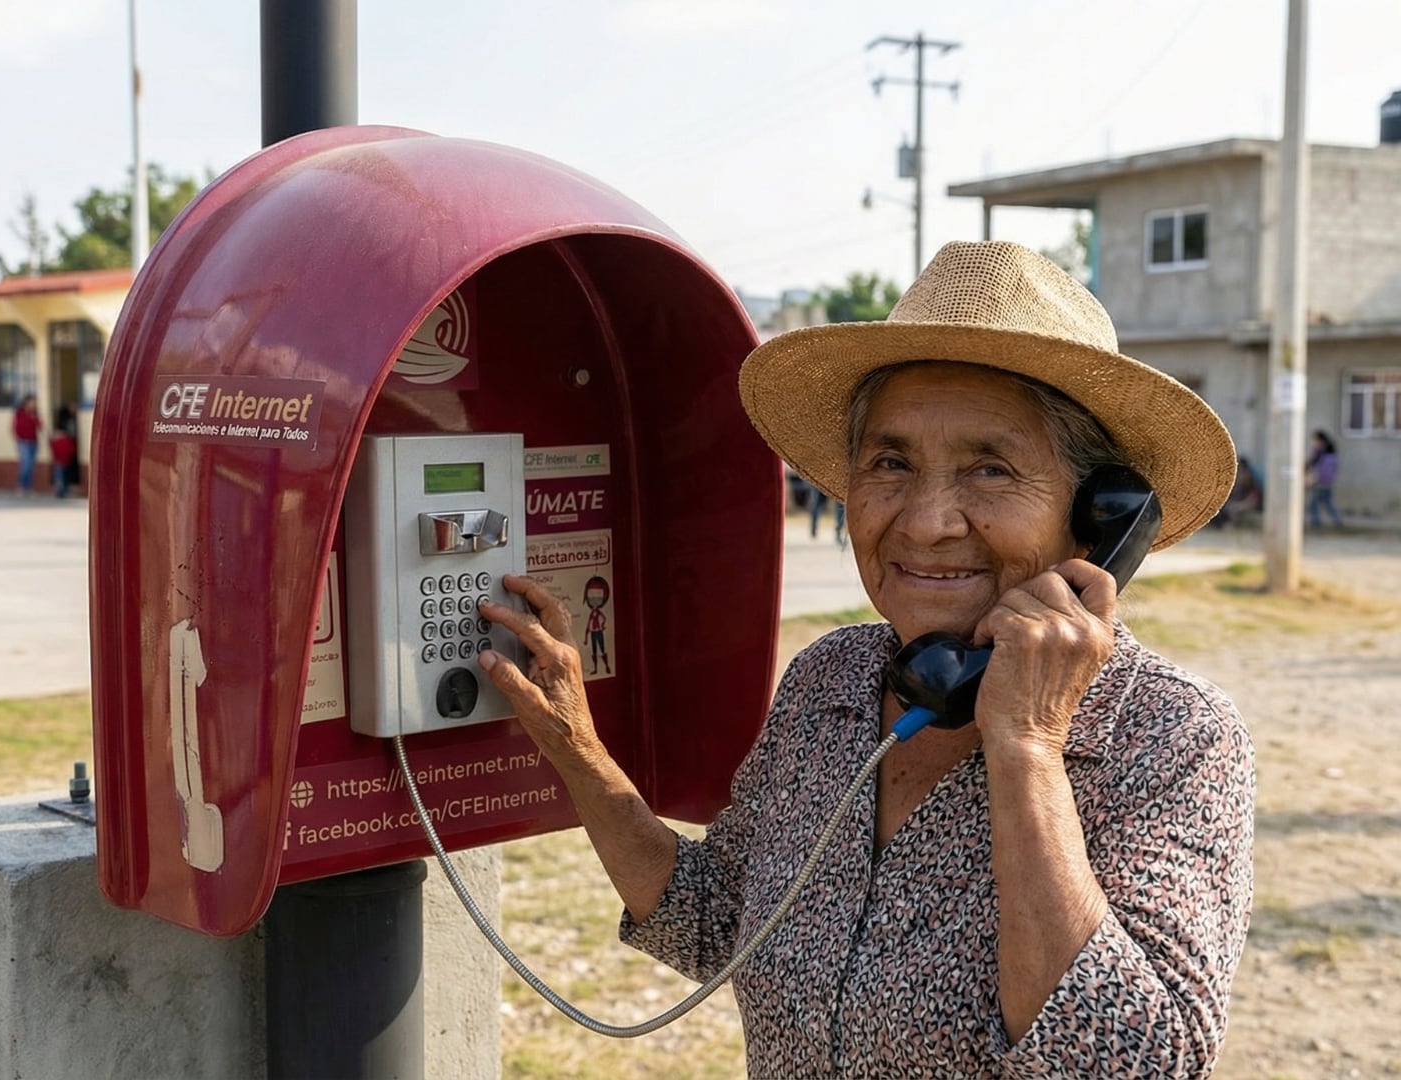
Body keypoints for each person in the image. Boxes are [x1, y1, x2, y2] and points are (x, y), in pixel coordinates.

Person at [475, 242, 1254, 1076]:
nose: (925, 522)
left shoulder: (1171, 736)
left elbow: (1124, 1066)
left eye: (990, 469)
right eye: (891, 463)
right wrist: (578, 751)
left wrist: (1028, 746)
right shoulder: (832, 682)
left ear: (1099, 516)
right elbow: (719, 927)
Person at [1213, 454, 1265, 528]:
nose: (1239, 475)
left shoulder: (1255, 479)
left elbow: (1253, 500)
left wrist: (1238, 506)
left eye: (1240, 472)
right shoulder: (1245, 480)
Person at [1306, 429, 1342, 529]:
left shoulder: (1321, 451)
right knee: (1328, 503)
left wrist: (1312, 480)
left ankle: (1316, 524)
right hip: (1328, 482)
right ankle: (1338, 520)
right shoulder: (1331, 451)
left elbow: (1313, 463)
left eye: (1315, 440)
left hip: (1321, 482)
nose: (1314, 442)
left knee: (1313, 505)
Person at [13, 393, 42, 496]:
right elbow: (16, 427)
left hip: (33, 441)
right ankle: (21, 487)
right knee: (25, 465)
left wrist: (34, 418)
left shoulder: (34, 414)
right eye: (32, 402)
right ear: (26, 403)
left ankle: (29, 488)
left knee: (31, 466)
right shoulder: (20, 413)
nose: (34, 404)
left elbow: (40, 426)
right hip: (23, 442)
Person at [49, 424, 78, 499]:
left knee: (59, 477)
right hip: (67, 461)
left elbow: (53, 449)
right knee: (65, 477)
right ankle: (65, 491)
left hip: (58, 462)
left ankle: (59, 491)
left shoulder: (55, 441)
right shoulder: (69, 440)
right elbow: (72, 450)